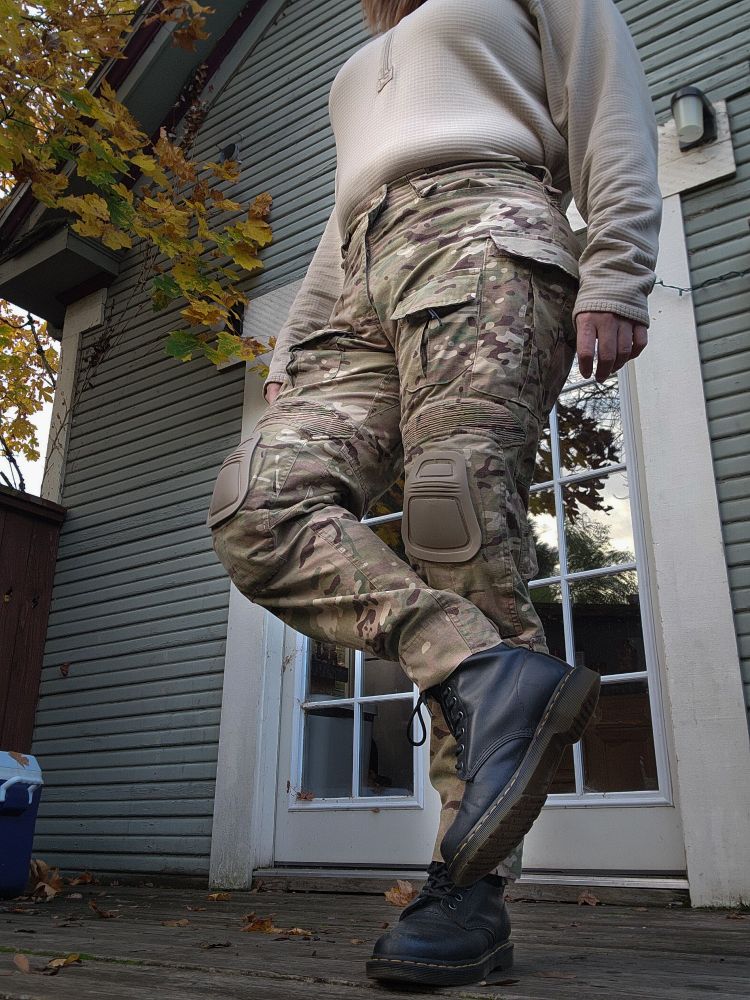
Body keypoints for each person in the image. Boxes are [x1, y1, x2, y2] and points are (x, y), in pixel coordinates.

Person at [207, 0, 661, 988]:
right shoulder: (365, 53)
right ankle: (479, 667)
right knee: (259, 505)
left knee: (457, 520)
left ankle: (469, 888)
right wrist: (300, 342)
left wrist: (617, 268)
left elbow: (607, 97)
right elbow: (343, 213)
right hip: (362, 284)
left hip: (485, 231)